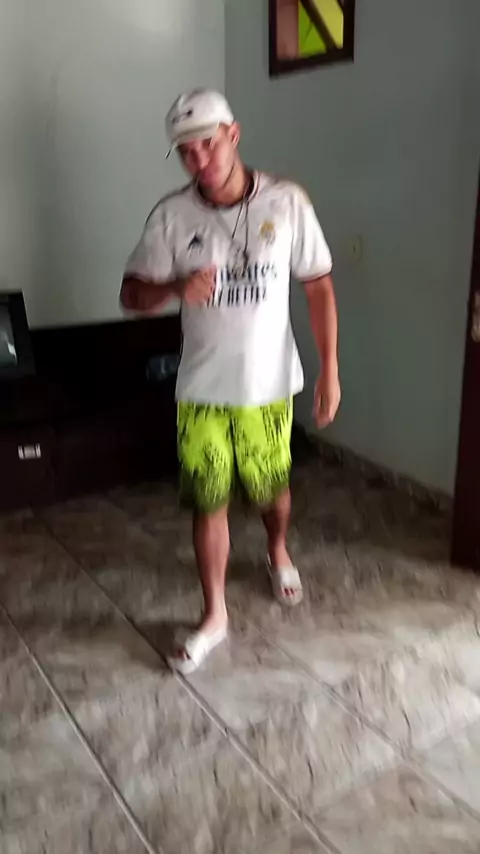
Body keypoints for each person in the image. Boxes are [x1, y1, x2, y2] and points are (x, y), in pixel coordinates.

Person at [120, 89, 340, 674]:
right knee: (208, 498)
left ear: (234, 135)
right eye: (185, 152)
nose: (198, 160)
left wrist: (330, 369)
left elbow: (318, 285)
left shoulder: (286, 202)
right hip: (201, 391)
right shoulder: (171, 216)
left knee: (270, 490)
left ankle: (276, 548)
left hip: (268, 386)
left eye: (208, 145)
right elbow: (130, 294)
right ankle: (214, 613)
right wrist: (175, 288)